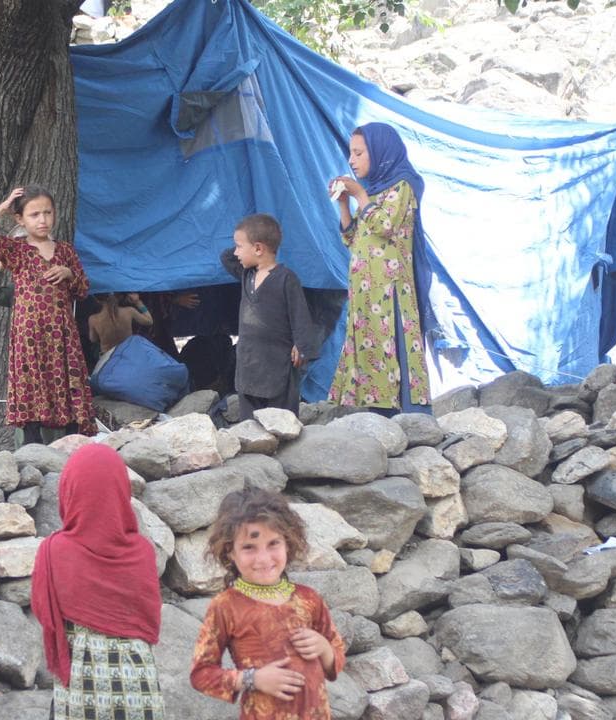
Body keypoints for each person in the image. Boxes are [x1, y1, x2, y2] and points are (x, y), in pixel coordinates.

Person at [31, 444, 165, 719]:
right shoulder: (142, 553)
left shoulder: (54, 551)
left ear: (69, 492)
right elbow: (149, 623)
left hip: (81, 693)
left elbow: (42, 612)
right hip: (140, 692)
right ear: (120, 491)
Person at [190, 488, 346, 720]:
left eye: (273, 543)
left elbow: (337, 656)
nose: (263, 559)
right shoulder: (226, 606)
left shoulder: (309, 598)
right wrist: (252, 679)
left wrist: (324, 648)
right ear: (230, 551)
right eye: (249, 547)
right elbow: (201, 675)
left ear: (289, 543)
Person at [0, 185, 94, 444]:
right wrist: (4, 206)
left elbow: (83, 289)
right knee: (31, 383)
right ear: (20, 219)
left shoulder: (65, 251)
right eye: (34, 214)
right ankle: (32, 444)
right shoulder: (16, 251)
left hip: (61, 334)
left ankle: (71, 440)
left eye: (47, 213)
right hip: (29, 336)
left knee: (66, 379)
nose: (43, 220)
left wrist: (68, 274)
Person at [327, 122, 431, 415]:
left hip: (390, 290)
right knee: (367, 342)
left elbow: (385, 226)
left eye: (359, 153)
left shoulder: (403, 185)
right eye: (351, 153)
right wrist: (345, 204)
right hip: (365, 291)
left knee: (390, 342)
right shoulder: (373, 191)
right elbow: (352, 238)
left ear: (380, 152)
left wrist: (360, 194)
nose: (351, 160)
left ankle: (401, 409)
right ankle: (371, 406)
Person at [221, 214, 319, 417]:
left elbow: (300, 314)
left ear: (258, 249)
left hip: (278, 363)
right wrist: (245, 241)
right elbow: (226, 257)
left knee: (281, 419)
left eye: (239, 246)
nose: (236, 252)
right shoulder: (247, 275)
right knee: (250, 422)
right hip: (249, 362)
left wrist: (301, 345)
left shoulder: (286, 279)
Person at [88, 292, 153, 358]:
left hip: (108, 358)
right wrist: (138, 302)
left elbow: (93, 339)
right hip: (128, 354)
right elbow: (149, 321)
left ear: (97, 300)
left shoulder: (93, 319)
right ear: (118, 297)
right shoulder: (129, 311)